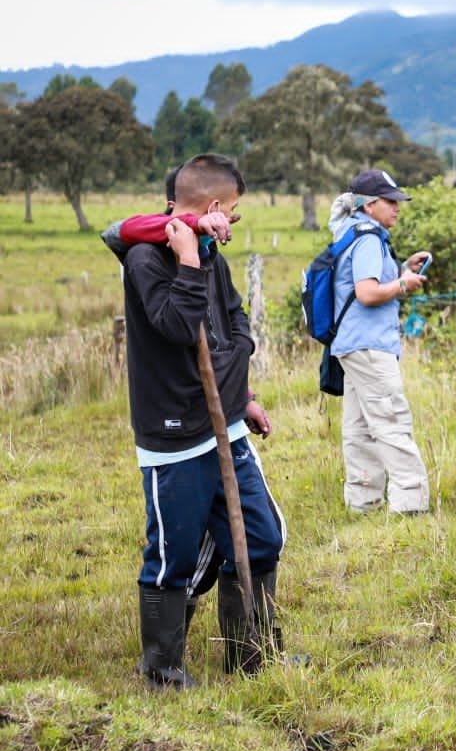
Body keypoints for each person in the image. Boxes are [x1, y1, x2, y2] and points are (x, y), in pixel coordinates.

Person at [112, 153, 286, 688]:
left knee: (261, 537)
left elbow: (231, 315)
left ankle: (250, 656)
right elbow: (177, 325)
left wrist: (243, 390)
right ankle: (162, 671)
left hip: (226, 423)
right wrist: (187, 259)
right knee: (174, 555)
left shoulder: (213, 255)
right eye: (231, 212)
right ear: (213, 206)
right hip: (176, 436)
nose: (232, 223)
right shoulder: (146, 258)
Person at [328, 169, 432, 515]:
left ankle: (363, 501)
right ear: (370, 205)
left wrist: (401, 269)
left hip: (350, 344)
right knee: (391, 420)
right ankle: (410, 503)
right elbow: (368, 292)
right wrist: (404, 285)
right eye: (391, 201)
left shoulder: (349, 232)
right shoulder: (370, 238)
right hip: (370, 344)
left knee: (358, 428)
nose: (397, 207)